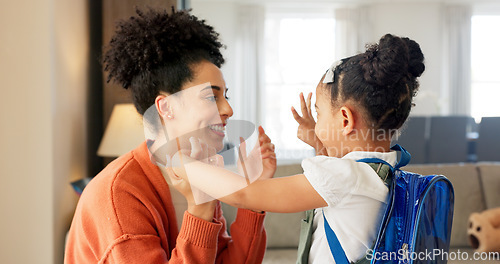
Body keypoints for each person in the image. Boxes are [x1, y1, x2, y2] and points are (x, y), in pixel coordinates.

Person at [168, 33, 425, 263]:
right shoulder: (385, 171)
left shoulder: (342, 178)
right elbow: (345, 186)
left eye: (320, 113)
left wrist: (183, 162)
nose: (317, 121)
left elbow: (244, 194)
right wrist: (318, 141)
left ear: (345, 120)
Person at [65, 8, 276, 263]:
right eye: (211, 96)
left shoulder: (198, 170)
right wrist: (200, 209)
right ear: (166, 107)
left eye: (226, 96)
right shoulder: (118, 194)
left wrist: (255, 190)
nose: (228, 109)